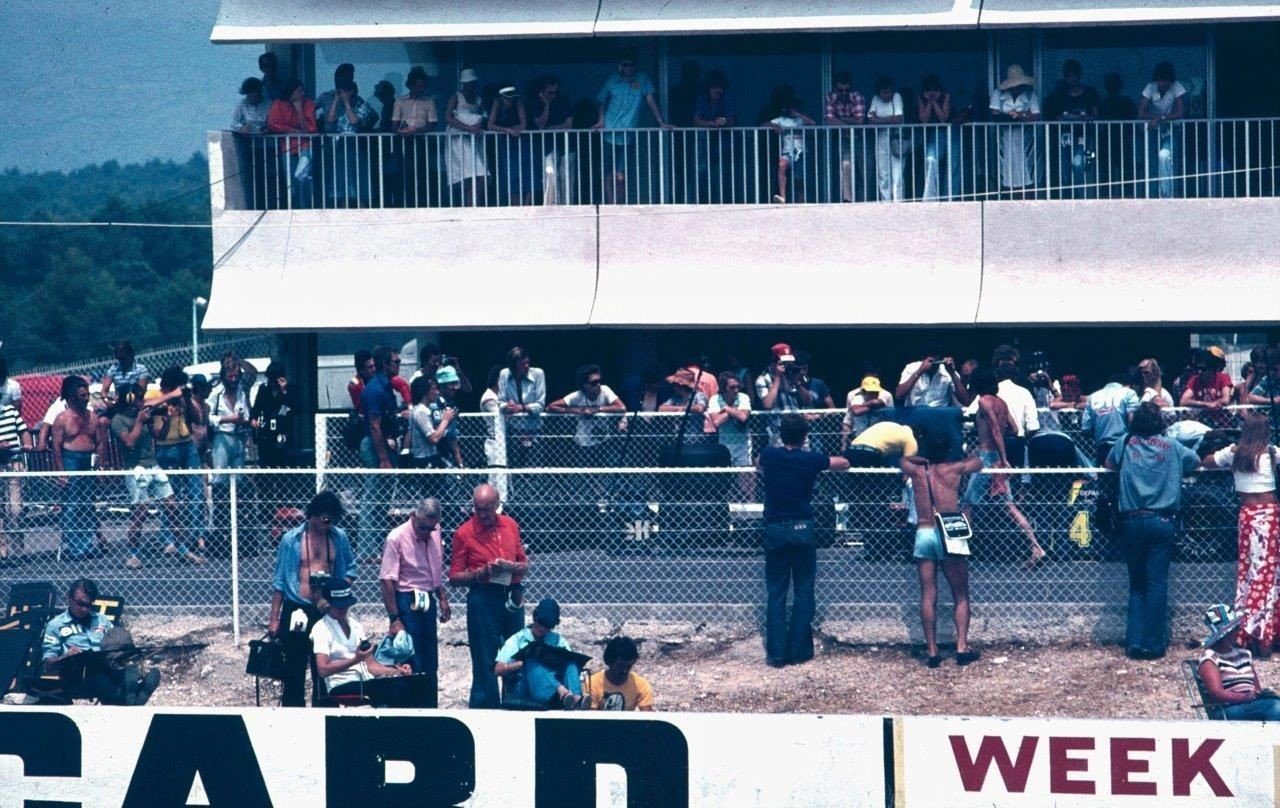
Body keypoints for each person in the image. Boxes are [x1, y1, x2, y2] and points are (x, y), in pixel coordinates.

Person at [1105, 401, 1200, 660]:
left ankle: (1134, 642)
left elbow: (1109, 466)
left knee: (1136, 584)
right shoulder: (1172, 447)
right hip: (1162, 520)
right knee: (1157, 583)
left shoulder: (1124, 443)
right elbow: (1195, 461)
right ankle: (1154, 644)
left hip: (1132, 520)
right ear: (1160, 422)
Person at [758, 413, 850, 667]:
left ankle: (776, 651)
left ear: (781, 433)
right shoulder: (811, 459)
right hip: (802, 524)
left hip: (775, 525)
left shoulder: (770, 455)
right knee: (803, 589)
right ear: (804, 436)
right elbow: (842, 463)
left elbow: (758, 463)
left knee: (776, 591)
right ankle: (799, 648)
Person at [900, 428, 984, 667]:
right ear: (947, 449)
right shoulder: (954, 469)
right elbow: (978, 462)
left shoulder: (916, 471)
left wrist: (922, 457)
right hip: (949, 530)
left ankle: (933, 651)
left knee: (928, 595)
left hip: (925, 531)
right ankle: (961, 646)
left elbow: (902, 460)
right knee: (961, 594)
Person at [1202, 413, 1280, 657]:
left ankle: (1247, 631)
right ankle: (1264, 634)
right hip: (1269, 515)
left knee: (1248, 573)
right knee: (1267, 576)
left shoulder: (1235, 453)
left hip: (1246, 515)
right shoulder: (1272, 453)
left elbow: (1207, 461)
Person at [268, 490, 356, 706]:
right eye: (325, 519)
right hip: (297, 608)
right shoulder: (292, 539)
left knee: (324, 667)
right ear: (313, 515)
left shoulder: (339, 537)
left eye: (332, 520)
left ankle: (324, 711)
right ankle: (293, 713)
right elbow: (279, 581)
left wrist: (339, 592)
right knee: (294, 668)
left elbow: (350, 571)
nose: (328, 524)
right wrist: (274, 618)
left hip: (326, 610)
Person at [449, 483, 530, 708]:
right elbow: (454, 577)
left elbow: (524, 561)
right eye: (478, 509)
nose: (483, 515)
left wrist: (515, 567)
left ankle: (516, 702)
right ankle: (486, 706)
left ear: (497, 505)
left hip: (511, 593)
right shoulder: (464, 533)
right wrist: (480, 573)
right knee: (485, 655)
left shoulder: (510, 525)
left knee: (515, 650)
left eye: (487, 509)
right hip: (483, 597)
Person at [963, 367, 1046, 568]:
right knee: (1008, 506)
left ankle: (957, 551)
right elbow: (1015, 429)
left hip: (988, 459)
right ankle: (1036, 547)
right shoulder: (1002, 403)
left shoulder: (985, 401)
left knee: (967, 504)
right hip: (994, 457)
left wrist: (1000, 455)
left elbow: (995, 430)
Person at [41, 578, 160, 705]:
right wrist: (67, 657)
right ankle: (133, 697)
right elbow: (48, 665)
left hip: (107, 668)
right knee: (102, 679)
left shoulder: (102, 621)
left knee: (119, 646)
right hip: (78, 674)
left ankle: (131, 694)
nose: (84, 609)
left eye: (89, 605)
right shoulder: (56, 625)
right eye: (81, 603)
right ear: (69, 598)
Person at [379, 498, 451, 706]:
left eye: (431, 527)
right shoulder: (397, 538)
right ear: (412, 516)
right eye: (422, 527)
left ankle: (429, 707)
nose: (426, 532)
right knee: (409, 656)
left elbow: (435, 569)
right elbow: (387, 580)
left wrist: (442, 597)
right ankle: (409, 707)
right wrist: (394, 618)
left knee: (430, 658)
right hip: (406, 599)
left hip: (427, 598)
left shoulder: (434, 533)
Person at [110, 385, 189, 570]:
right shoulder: (118, 420)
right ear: (129, 399)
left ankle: (183, 549)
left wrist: (167, 419)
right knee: (141, 512)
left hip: (153, 464)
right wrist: (139, 422)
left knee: (172, 507)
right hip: (136, 468)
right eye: (138, 398)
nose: (142, 402)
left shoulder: (144, 415)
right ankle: (133, 554)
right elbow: (129, 442)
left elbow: (158, 435)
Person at [311, 585, 423, 707]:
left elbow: (372, 666)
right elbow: (322, 669)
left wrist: (397, 671)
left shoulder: (355, 625)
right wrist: (355, 660)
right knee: (394, 689)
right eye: (339, 606)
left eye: (346, 604)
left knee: (414, 682)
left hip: (365, 680)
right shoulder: (321, 628)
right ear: (328, 604)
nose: (344, 608)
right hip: (341, 684)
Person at [594, 49, 671, 204]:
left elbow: (650, 100)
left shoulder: (642, 79)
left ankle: (620, 206)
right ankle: (610, 205)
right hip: (609, 134)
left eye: (632, 65)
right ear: (620, 66)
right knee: (608, 172)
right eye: (626, 65)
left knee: (620, 175)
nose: (629, 68)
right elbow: (601, 101)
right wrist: (601, 120)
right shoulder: (612, 81)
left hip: (627, 137)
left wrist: (660, 121)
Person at [150, 367, 207, 556]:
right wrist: (170, 397)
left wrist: (187, 400)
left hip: (187, 444)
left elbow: (198, 418)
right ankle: (169, 539)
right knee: (169, 496)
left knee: (196, 492)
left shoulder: (184, 398)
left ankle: (196, 536)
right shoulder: (157, 395)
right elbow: (145, 406)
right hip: (166, 447)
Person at [494, 597, 589, 709]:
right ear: (534, 617)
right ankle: (562, 692)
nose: (542, 628)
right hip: (527, 687)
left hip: (554, 684)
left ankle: (577, 699)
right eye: (540, 622)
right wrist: (520, 664)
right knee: (531, 662)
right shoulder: (518, 639)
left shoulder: (558, 640)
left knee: (571, 663)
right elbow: (498, 669)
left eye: (547, 625)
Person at [1197, 604, 1280, 721]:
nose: (1238, 631)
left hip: (1251, 705)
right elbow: (1217, 694)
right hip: (1228, 709)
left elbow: (1255, 688)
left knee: (1274, 704)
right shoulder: (1210, 658)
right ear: (1224, 634)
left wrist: (1259, 694)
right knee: (1276, 708)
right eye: (1235, 629)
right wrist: (1244, 697)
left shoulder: (1245, 654)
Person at [356, 346, 400, 558]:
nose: (398, 365)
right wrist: (383, 458)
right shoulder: (375, 390)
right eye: (395, 362)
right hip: (375, 447)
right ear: (386, 364)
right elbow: (375, 426)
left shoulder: (387, 387)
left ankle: (378, 546)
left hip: (386, 444)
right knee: (371, 497)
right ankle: (366, 551)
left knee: (382, 498)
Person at [52, 375, 101, 560]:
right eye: (83, 395)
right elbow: (56, 447)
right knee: (71, 504)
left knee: (87, 504)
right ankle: (74, 546)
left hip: (87, 460)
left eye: (87, 395)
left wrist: (100, 466)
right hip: (70, 459)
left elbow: (99, 443)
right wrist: (61, 471)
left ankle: (87, 544)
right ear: (73, 397)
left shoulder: (93, 417)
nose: (87, 398)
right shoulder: (62, 419)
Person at [548, 364, 626, 467]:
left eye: (599, 381)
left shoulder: (605, 390)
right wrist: (578, 410)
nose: (598, 385)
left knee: (606, 471)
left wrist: (597, 409)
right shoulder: (577, 396)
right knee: (584, 474)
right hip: (583, 443)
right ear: (584, 384)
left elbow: (621, 408)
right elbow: (551, 407)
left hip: (603, 440)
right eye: (594, 383)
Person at [317, 75, 377, 207]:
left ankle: (363, 209)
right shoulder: (338, 106)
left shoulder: (362, 105)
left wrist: (347, 103)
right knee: (342, 179)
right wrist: (336, 100)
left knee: (360, 180)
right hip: (340, 146)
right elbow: (330, 120)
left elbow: (354, 121)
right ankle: (344, 209)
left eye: (347, 92)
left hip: (358, 146)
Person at [1044, 60, 1100, 199]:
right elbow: (1056, 116)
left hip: (1084, 136)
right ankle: (1068, 199)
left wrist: (1082, 117)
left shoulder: (1089, 92)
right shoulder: (1060, 95)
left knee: (1078, 163)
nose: (1072, 79)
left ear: (1079, 75)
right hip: (1065, 137)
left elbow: (1095, 114)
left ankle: (1082, 197)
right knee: (1065, 170)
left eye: (1074, 75)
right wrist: (1072, 117)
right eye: (1069, 76)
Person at [989, 65, 1041, 195]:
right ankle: (1005, 195)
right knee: (1005, 169)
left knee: (1026, 168)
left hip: (1026, 138)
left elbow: (1035, 115)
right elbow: (994, 112)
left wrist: (1021, 115)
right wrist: (1009, 115)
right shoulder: (999, 93)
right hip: (1004, 136)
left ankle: (1028, 195)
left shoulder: (1030, 94)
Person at [266, 78, 318, 209]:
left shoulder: (309, 104)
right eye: (299, 91)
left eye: (303, 91)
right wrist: (293, 130)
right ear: (291, 92)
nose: (303, 94)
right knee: (291, 182)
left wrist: (299, 109)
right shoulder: (278, 104)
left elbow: (309, 130)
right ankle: (295, 209)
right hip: (288, 147)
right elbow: (273, 124)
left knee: (300, 175)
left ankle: (305, 207)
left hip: (306, 145)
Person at [1138, 61, 1187, 199]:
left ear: (1170, 80)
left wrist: (1162, 118)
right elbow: (1141, 113)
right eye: (1158, 80)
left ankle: (1167, 195)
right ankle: (1152, 195)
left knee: (1165, 156)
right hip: (1152, 130)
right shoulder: (1150, 87)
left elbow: (1180, 112)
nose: (1161, 84)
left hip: (1172, 129)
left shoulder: (1176, 87)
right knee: (1152, 162)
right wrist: (1157, 118)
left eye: (1164, 80)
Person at [444, 68, 488, 206]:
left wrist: (478, 125)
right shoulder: (456, 97)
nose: (471, 85)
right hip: (459, 140)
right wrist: (467, 128)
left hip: (474, 140)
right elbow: (448, 117)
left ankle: (473, 205)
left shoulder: (479, 99)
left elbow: (484, 116)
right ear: (463, 83)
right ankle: (471, 206)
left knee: (478, 173)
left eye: (473, 82)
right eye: (468, 83)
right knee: (471, 174)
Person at [691, 70, 736, 203]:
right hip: (704, 145)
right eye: (714, 88)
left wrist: (723, 122)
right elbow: (695, 121)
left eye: (720, 88)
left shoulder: (727, 99)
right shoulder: (702, 99)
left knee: (722, 176)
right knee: (702, 174)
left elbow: (732, 121)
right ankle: (701, 203)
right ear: (708, 88)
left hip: (723, 146)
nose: (718, 91)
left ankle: (724, 204)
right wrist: (711, 123)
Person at [498, 346, 546, 469]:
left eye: (527, 362)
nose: (526, 366)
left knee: (534, 468)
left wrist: (522, 408)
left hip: (535, 430)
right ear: (513, 366)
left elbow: (540, 405)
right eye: (522, 363)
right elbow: (500, 402)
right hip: (513, 430)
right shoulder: (504, 374)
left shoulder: (538, 374)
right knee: (514, 468)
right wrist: (508, 406)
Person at [767, 86, 815, 204]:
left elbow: (813, 123)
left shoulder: (800, 120)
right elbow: (762, 124)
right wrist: (773, 126)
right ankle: (783, 197)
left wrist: (799, 114)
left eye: (796, 107)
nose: (793, 109)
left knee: (799, 178)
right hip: (787, 152)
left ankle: (801, 201)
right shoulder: (781, 120)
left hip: (800, 152)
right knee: (781, 165)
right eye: (792, 107)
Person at [1082, 371, 1141, 467]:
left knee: (1104, 479)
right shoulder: (1129, 393)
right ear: (1128, 385)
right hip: (1125, 446)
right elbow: (1133, 421)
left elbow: (1086, 428)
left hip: (1102, 447)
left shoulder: (1092, 397)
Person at [824, 71, 866, 203]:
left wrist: (840, 119)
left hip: (862, 139)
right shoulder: (830, 97)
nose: (843, 93)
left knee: (864, 170)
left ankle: (864, 200)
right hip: (844, 139)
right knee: (846, 165)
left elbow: (859, 120)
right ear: (836, 88)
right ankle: (848, 199)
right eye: (840, 90)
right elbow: (829, 120)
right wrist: (848, 122)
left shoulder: (857, 96)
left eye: (846, 90)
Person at [489, 85, 534, 206]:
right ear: (501, 97)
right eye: (507, 98)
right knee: (510, 175)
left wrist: (515, 130)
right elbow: (490, 125)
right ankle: (516, 206)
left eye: (512, 98)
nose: (510, 100)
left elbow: (523, 124)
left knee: (526, 174)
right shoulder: (497, 102)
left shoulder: (518, 102)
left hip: (521, 143)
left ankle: (526, 205)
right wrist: (507, 130)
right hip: (505, 144)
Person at [587, 636, 655, 711]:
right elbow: (591, 718)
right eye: (620, 666)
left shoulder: (640, 684)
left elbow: (648, 717)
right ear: (609, 662)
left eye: (628, 666)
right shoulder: (592, 684)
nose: (624, 671)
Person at [0, 397, 30, 563]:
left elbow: (24, 430)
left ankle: (18, 551)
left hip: (13, 463)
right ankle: (2, 552)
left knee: (15, 509)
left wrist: (26, 443)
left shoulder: (10, 412)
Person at [866, 75, 905, 202]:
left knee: (897, 175)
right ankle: (885, 202)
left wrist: (879, 120)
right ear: (879, 92)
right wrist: (889, 120)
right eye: (884, 92)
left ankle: (898, 203)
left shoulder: (896, 97)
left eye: (889, 91)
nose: (887, 94)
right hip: (881, 140)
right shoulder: (875, 99)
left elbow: (898, 119)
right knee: (883, 174)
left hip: (896, 139)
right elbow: (870, 121)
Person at [917, 74, 955, 201]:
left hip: (946, 134)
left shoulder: (946, 96)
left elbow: (943, 118)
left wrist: (935, 102)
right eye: (929, 90)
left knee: (946, 164)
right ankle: (930, 197)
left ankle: (944, 197)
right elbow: (924, 119)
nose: (932, 92)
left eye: (935, 90)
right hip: (927, 135)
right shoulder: (921, 98)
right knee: (930, 160)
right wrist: (929, 102)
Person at [896, 345, 971, 408]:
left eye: (935, 355)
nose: (933, 359)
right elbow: (899, 395)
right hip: (915, 414)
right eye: (930, 355)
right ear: (923, 358)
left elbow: (965, 401)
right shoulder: (911, 368)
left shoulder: (948, 371)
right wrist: (919, 371)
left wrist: (952, 373)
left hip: (938, 417)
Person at [841, 369, 896, 453]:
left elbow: (891, 416)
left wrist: (870, 404)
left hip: (880, 437)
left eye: (875, 392)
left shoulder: (886, 395)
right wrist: (844, 444)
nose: (874, 394)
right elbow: (851, 417)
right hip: (859, 436)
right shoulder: (855, 396)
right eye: (870, 391)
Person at [708, 371, 753, 467]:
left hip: (743, 445)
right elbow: (716, 421)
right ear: (724, 389)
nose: (736, 390)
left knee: (745, 476)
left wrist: (726, 409)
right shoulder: (714, 399)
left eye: (738, 387)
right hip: (724, 445)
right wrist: (734, 412)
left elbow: (743, 417)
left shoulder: (743, 397)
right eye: (732, 387)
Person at [479, 365, 509, 501]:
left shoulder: (499, 397)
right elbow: (501, 418)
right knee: (496, 479)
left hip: (502, 441)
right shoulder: (489, 398)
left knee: (504, 477)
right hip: (494, 442)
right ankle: (495, 506)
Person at [660, 369, 709, 443]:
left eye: (675, 385)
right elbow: (661, 408)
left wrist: (684, 409)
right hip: (677, 439)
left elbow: (700, 408)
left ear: (681, 386)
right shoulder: (675, 398)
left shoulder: (699, 395)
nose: (673, 387)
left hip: (695, 439)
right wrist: (679, 409)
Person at [1180, 347, 1232, 412]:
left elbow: (1226, 400)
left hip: (1222, 419)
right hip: (1202, 418)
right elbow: (1183, 401)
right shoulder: (1194, 380)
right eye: (1197, 368)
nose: (1199, 372)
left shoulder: (1224, 378)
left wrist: (1212, 404)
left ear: (1211, 368)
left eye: (1203, 369)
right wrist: (1207, 405)